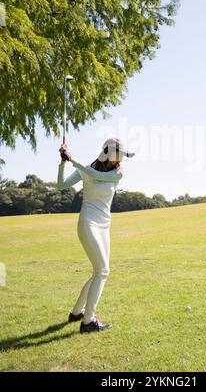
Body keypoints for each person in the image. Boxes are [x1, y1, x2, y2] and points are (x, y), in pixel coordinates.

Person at [57, 137, 135, 333]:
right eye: (120, 154)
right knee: (103, 271)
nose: (122, 159)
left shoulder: (117, 173)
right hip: (88, 223)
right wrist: (63, 163)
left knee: (98, 271)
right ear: (109, 152)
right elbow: (61, 185)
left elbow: (96, 176)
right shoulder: (85, 169)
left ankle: (77, 313)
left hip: (104, 226)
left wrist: (74, 160)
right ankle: (88, 321)